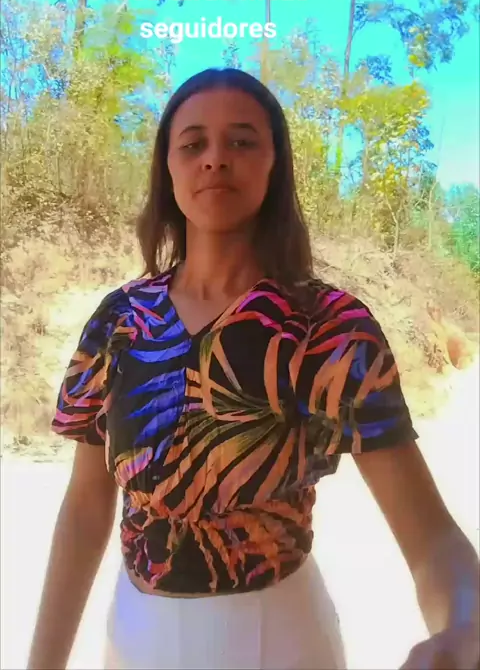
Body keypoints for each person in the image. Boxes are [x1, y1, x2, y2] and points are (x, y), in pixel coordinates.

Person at [27, 68, 479, 670]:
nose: (215, 158)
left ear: (275, 165)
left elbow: (430, 536)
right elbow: (86, 508)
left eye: (242, 141)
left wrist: (466, 623)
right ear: (168, 168)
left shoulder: (329, 327)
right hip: (133, 635)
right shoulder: (119, 322)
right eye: (193, 143)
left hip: (278, 640)